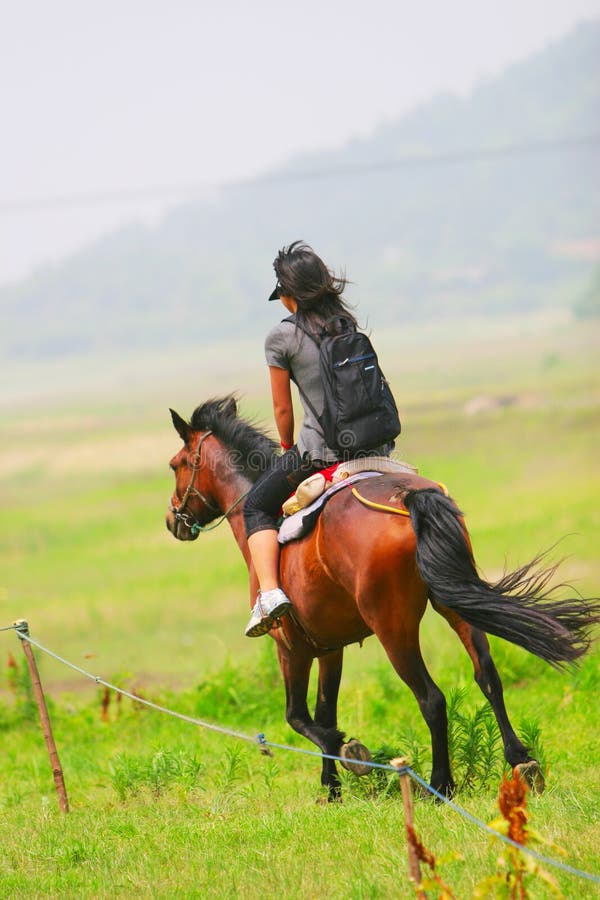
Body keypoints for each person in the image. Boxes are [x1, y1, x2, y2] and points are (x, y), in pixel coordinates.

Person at [243, 240, 391, 637]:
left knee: (255, 505)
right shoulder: (344, 323)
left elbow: (282, 411)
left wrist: (288, 449)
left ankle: (271, 594)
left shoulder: (281, 338)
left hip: (321, 453)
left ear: (289, 294)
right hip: (375, 445)